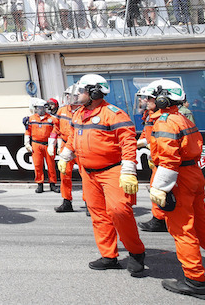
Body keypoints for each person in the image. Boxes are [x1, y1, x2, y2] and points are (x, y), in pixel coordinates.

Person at [143, 80, 205, 299]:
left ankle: (194, 281)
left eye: (154, 96)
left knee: (183, 231)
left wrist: (160, 187)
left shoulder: (165, 121)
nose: (150, 100)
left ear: (163, 98)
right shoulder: (181, 117)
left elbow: (169, 160)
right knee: (203, 227)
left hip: (178, 177)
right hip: (193, 175)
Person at [57, 74, 145, 277]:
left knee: (119, 212)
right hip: (89, 173)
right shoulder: (78, 113)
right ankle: (109, 256)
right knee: (98, 215)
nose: (78, 94)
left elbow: (128, 142)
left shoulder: (113, 114)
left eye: (82, 90)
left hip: (111, 171)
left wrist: (129, 170)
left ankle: (136, 253)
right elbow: (72, 137)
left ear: (94, 92)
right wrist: (65, 155)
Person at [135, 83, 168, 233]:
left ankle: (161, 220)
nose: (145, 101)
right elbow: (147, 135)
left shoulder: (165, 118)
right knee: (156, 189)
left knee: (160, 189)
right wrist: (140, 143)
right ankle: (159, 218)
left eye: (148, 98)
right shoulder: (150, 115)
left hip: (165, 161)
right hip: (157, 159)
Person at [49, 87, 81, 213]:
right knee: (64, 174)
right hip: (66, 144)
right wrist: (52, 143)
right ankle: (66, 201)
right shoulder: (62, 110)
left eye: (70, 95)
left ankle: (90, 203)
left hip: (80, 145)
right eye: (67, 95)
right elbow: (56, 128)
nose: (68, 98)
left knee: (86, 175)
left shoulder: (84, 111)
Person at [23, 98, 60, 193]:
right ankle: (40, 184)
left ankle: (53, 184)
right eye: (38, 108)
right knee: (38, 165)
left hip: (49, 144)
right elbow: (28, 131)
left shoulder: (52, 119)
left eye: (41, 108)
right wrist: (27, 143)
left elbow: (57, 132)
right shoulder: (31, 119)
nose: (40, 110)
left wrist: (57, 145)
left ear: (45, 108)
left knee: (51, 165)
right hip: (36, 144)